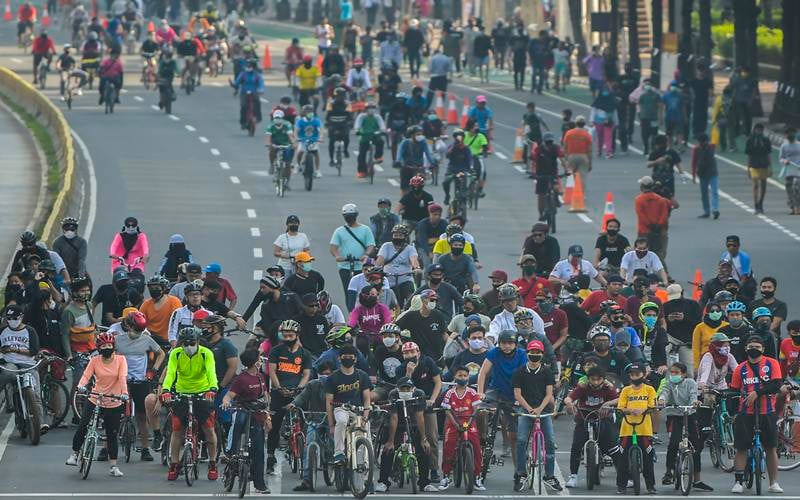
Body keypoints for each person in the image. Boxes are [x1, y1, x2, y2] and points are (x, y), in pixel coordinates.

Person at [65, 331, 127, 477]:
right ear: (99, 348)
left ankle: (113, 466)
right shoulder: (95, 361)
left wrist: (124, 393)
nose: (107, 348)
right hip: (95, 397)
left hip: (114, 400)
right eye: (104, 345)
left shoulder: (121, 360)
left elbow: (122, 377)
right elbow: (86, 375)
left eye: (109, 345)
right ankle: (74, 454)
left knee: (112, 434)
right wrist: (81, 386)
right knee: (83, 426)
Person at [160, 327, 219, 480]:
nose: (188, 346)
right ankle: (174, 464)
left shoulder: (207, 354)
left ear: (198, 342)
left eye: (192, 343)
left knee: (209, 430)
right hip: (182, 393)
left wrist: (213, 388)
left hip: (203, 393)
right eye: (185, 343)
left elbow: (211, 372)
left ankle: (213, 464)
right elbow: (171, 373)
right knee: (177, 430)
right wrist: (166, 390)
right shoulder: (176, 353)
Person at [729, 335, 784, 494]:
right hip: (745, 412)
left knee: (771, 447)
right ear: (746, 348)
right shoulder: (741, 368)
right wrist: (733, 413)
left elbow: (776, 385)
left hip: (767, 411)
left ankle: (774, 483)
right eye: (751, 346)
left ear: (763, 349)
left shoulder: (771, 363)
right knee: (741, 447)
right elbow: (734, 390)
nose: (754, 349)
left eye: (757, 347)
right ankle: (738, 481)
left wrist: (757, 393)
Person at [511, 339, 561, 491]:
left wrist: (540, 409)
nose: (534, 355)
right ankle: (521, 473)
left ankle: (550, 476)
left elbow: (549, 394)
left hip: (543, 410)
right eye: (532, 352)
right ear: (527, 353)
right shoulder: (519, 372)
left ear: (542, 354)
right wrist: (529, 409)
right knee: (521, 440)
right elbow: (517, 395)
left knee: (550, 442)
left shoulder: (547, 372)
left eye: (538, 353)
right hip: (525, 410)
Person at [563, 366, 622, 489]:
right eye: (592, 379)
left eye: (598, 379)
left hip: (602, 419)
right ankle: (573, 476)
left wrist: (608, 403)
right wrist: (569, 403)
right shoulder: (583, 387)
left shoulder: (608, 388)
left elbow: (619, 399)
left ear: (603, 379)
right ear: (588, 379)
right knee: (576, 446)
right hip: (583, 419)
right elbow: (569, 397)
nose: (595, 382)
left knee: (612, 446)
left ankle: (623, 477)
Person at [221, 349, 271, 494]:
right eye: (259, 358)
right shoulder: (241, 379)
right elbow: (229, 395)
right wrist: (226, 402)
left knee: (259, 449)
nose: (261, 360)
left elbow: (266, 396)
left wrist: (267, 415)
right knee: (237, 425)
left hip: (257, 413)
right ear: (255, 362)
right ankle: (231, 454)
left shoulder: (261, 377)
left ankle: (259, 484)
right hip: (243, 409)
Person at [266, 319, 312, 473]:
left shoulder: (305, 353)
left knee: (304, 423)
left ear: (297, 335)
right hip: (279, 392)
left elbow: (306, 374)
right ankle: (270, 456)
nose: (287, 338)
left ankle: (304, 454)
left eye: (290, 335)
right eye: (284, 335)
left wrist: (300, 388)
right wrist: (279, 388)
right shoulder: (276, 351)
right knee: (274, 425)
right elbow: (272, 371)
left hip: (298, 393)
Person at [373, 376, 433, 492]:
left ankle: (424, 482)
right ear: (398, 389)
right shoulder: (393, 394)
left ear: (413, 389)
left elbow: (420, 417)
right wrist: (390, 441)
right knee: (388, 450)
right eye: (403, 389)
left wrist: (423, 438)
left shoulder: (420, 394)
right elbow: (394, 418)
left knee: (424, 448)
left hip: (414, 423)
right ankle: (383, 482)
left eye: (408, 389)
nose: (405, 392)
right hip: (395, 423)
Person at [658, 362, 712, 490]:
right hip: (674, 416)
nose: (673, 375)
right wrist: (662, 400)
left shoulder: (690, 383)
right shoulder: (668, 383)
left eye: (676, 372)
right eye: (672, 372)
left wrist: (694, 402)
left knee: (696, 446)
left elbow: (693, 395)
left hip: (689, 415)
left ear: (683, 374)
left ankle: (697, 480)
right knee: (673, 443)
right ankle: (669, 472)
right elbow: (664, 392)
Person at [438, 366, 485, 491]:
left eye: (465, 375)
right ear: (455, 377)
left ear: (468, 377)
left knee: (476, 446)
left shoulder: (472, 392)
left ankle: (476, 477)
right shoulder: (449, 393)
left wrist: (468, 423)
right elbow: (447, 411)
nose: (462, 378)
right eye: (459, 375)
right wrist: (455, 424)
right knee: (448, 446)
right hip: (453, 423)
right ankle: (446, 476)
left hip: (468, 423)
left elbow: (476, 409)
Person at [0, 305, 45, 433]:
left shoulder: (30, 331)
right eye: (8, 318)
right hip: (10, 364)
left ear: (21, 317)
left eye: (14, 318)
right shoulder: (2, 331)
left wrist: (14, 349)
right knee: (7, 373)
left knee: (36, 394)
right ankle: (9, 401)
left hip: (28, 364)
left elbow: (34, 351)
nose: (11, 320)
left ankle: (39, 424)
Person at [325, 343, 372, 463]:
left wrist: (365, 418)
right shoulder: (332, 378)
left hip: (358, 409)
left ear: (355, 359)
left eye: (351, 356)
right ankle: (339, 453)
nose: (348, 358)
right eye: (345, 356)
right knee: (341, 421)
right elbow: (329, 402)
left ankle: (367, 465)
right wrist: (331, 425)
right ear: (339, 358)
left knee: (365, 432)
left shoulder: (362, 376)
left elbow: (367, 398)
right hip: (340, 408)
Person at [616, 362, 657, 494]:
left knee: (648, 458)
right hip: (627, 429)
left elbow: (652, 406)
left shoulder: (649, 390)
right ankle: (621, 485)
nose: (635, 377)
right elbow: (621, 407)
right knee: (622, 459)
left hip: (644, 429)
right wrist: (629, 410)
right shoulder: (626, 390)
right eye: (632, 375)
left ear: (644, 375)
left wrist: (643, 410)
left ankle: (650, 485)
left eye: (638, 374)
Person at [329, 203, 376, 294]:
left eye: (351, 216)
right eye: (347, 216)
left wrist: (366, 255)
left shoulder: (365, 229)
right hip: (345, 266)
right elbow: (333, 247)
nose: (349, 219)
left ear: (356, 216)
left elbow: (371, 245)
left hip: (362, 266)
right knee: (348, 290)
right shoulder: (339, 231)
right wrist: (337, 256)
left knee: (364, 289)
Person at [634, 176, 674, 263]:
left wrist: (649, 225)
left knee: (641, 254)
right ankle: (662, 273)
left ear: (641, 187)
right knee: (658, 254)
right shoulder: (661, 200)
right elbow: (664, 215)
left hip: (644, 231)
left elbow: (641, 214)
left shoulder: (639, 200)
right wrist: (658, 226)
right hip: (659, 231)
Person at [531, 131, 565, 217]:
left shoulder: (556, 148)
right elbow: (534, 162)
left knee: (556, 188)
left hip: (553, 173)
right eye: (547, 142)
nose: (549, 144)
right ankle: (541, 214)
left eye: (550, 142)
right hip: (541, 175)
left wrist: (566, 169)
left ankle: (556, 200)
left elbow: (562, 159)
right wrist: (534, 172)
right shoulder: (538, 150)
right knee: (541, 196)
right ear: (544, 141)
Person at [745, 123, 773, 214]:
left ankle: (761, 202)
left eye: (760, 130)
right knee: (755, 185)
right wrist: (748, 168)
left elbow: (769, 154)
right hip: (754, 164)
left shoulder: (766, 140)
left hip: (764, 164)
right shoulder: (750, 140)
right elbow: (748, 155)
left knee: (764, 185)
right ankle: (756, 205)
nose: (758, 131)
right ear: (754, 130)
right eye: (757, 129)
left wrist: (770, 167)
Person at [692, 302, 728, 371]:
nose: (715, 313)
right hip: (705, 359)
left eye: (717, 311)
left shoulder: (726, 325)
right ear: (707, 312)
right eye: (712, 311)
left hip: (723, 360)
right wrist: (696, 366)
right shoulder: (699, 327)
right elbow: (696, 348)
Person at [231, 60, 264, 129]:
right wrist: (233, 84)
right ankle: (243, 122)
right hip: (244, 92)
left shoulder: (257, 75)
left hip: (254, 92)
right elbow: (237, 82)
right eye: (248, 66)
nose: (248, 67)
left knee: (257, 103)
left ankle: (258, 118)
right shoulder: (243, 74)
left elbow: (261, 83)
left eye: (250, 66)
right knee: (243, 106)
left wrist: (261, 90)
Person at [355, 103, 386, 177]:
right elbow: (357, 125)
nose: (371, 110)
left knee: (380, 141)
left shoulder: (377, 117)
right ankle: (362, 171)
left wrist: (383, 130)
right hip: (364, 136)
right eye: (369, 108)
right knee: (361, 155)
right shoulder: (362, 116)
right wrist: (357, 131)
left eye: (373, 108)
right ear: (366, 109)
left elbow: (382, 125)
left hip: (375, 135)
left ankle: (378, 156)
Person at [590, 86, 618, 159]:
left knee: (608, 137)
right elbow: (593, 111)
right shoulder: (598, 101)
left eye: (606, 91)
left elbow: (615, 112)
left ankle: (608, 152)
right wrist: (592, 121)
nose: (605, 93)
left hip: (608, 121)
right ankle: (599, 151)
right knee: (600, 137)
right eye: (604, 91)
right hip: (599, 121)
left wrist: (616, 122)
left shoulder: (611, 101)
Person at [778, 128, 800, 214]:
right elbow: (780, 158)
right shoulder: (784, 146)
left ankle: (798, 207)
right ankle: (793, 207)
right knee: (789, 189)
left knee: (797, 188)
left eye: (792, 133)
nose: (790, 135)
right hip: (788, 170)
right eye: (788, 133)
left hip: (798, 170)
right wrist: (784, 161)